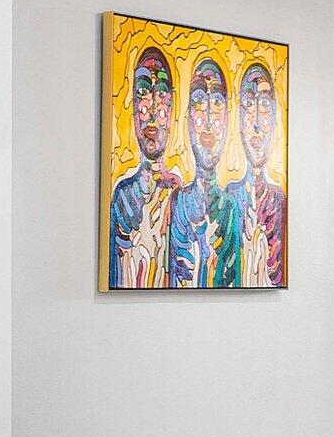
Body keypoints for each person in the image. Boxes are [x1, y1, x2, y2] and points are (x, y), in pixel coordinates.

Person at [107, 44, 180, 287]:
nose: (151, 110)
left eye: (161, 94)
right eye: (142, 92)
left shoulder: (179, 194)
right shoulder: (122, 195)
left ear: (171, 109)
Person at [221, 58, 288, 286]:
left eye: (265, 106)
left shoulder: (280, 199)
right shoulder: (229, 196)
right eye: (249, 105)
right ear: (239, 122)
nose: (257, 123)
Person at [168, 56, 231, 286]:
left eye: (217, 102)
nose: (207, 119)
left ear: (227, 120)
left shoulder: (232, 207)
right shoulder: (177, 202)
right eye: (197, 101)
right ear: (187, 120)